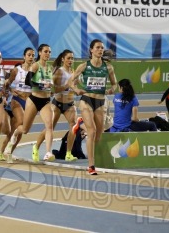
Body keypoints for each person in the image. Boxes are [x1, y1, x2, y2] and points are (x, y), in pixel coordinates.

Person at [68, 39, 117, 175]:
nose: (100, 50)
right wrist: (76, 89)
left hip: (101, 101)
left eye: (102, 48)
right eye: (97, 48)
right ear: (91, 50)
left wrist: (111, 89)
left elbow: (115, 84)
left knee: (98, 135)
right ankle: (91, 166)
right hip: (86, 100)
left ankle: (80, 123)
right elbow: (70, 81)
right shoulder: (84, 66)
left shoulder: (108, 67)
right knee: (92, 131)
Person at [4, 44, 55, 161]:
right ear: (40, 53)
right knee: (25, 129)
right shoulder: (35, 66)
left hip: (46, 101)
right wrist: (42, 85)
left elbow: (50, 84)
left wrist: (51, 88)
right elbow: (28, 81)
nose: (48, 54)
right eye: (46, 51)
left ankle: (48, 152)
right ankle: (16, 132)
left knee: (49, 126)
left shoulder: (50, 68)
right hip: (33, 100)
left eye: (49, 52)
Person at [33, 49, 78, 162]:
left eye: (72, 58)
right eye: (68, 58)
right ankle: (36, 147)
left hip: (69, 103)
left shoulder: (73, 72)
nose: (71, 60)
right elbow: (53, 89)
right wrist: (67, 85)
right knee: (50, 127)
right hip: (57, 103)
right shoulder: (59, 72)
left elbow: (73, 88)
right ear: (63, 59)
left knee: (74, 126)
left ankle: (68, 153)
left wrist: (76, 88)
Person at [0, 48, 35, 162]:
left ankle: (8, 151)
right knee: (21, 122)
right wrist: (9, 91)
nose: (31, 57)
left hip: (30, 102)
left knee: (20, 130)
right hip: (17, 100)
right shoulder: (17, 70)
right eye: (29, 55)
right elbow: (7, 83)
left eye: (32, 55)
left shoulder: (36, 70)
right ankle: (4, 150)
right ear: (24, 56)